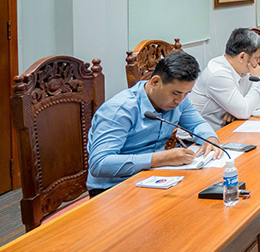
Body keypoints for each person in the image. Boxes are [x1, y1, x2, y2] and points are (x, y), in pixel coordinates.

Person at [86, 51, 223, 195]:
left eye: (186, 93)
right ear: (155, 82)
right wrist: (161, 158)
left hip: (154, 176)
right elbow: (99, 164)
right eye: (175, 93)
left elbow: (197, 124)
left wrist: (209, 138)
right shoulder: (119, 109)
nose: (180, 100)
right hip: (114, 188)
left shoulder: (179, 101)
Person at [189, 28, 260, 130]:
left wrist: (236, 111)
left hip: (225, 130)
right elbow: (244, 111)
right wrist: (258, 82)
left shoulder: (242, 69)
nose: (257, 62)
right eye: (256, 58)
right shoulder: (218, 74)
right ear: (242, 57)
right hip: (197, 137)